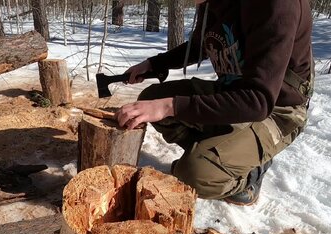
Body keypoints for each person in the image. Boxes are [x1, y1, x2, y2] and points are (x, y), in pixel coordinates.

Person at [115, 0, 314, 205]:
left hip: (277, 109)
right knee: (150, 101)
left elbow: (258, 101)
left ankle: (249, 172)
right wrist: (154, 64)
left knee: (194, 176)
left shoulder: (276, 5)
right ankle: (221, 154)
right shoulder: (210, 3)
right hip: (233, 94)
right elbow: (202, 45)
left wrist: (169, 106)